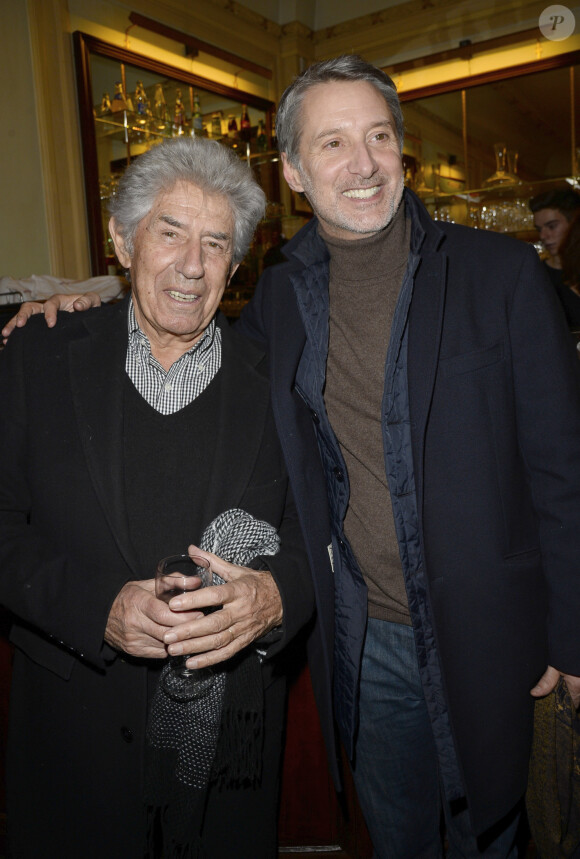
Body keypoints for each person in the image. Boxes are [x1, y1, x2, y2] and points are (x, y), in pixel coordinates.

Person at [5, 55, 580, 858]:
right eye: (334, 141)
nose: (193, 262)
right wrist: (78, 296)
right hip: (334, 653)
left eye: (378, 136)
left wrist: (571, 633)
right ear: (295, 171)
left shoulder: (494, 278)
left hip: (472, 639)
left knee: (496, 831)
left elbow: (558, 468)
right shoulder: (271, 301)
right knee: (397, 834)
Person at [0, 136, 314, 859]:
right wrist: (95, 608)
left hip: (228, 762)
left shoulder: (280, 384)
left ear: (235, 264)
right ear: (121, 239)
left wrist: (275, 598)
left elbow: (317, 535)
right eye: (168, 232)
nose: (191, 266)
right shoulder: (37, 356)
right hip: (72, 744)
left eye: (215, 243)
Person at [529, 187, 580, 328]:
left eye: (552, 226)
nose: (543, 236)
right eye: (539, 229)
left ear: (574, 225)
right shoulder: (539, 276)